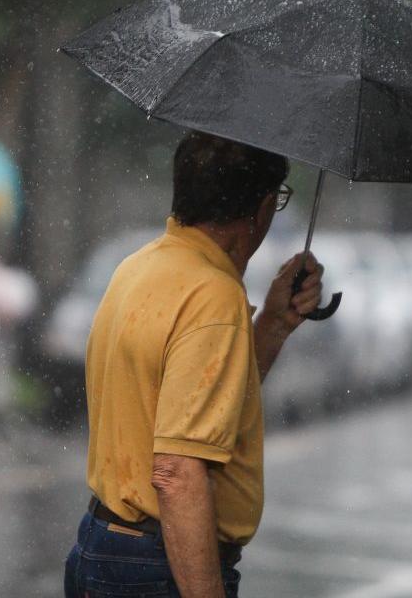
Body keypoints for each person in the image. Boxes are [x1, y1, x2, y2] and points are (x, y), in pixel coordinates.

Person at [64, 131, 325, 597]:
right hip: (155, 567)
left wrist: (273, 324)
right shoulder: (212, 297)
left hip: (102, 546)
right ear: (263, 208)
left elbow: (199, 406)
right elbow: (177, 470)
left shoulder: (140, 267)